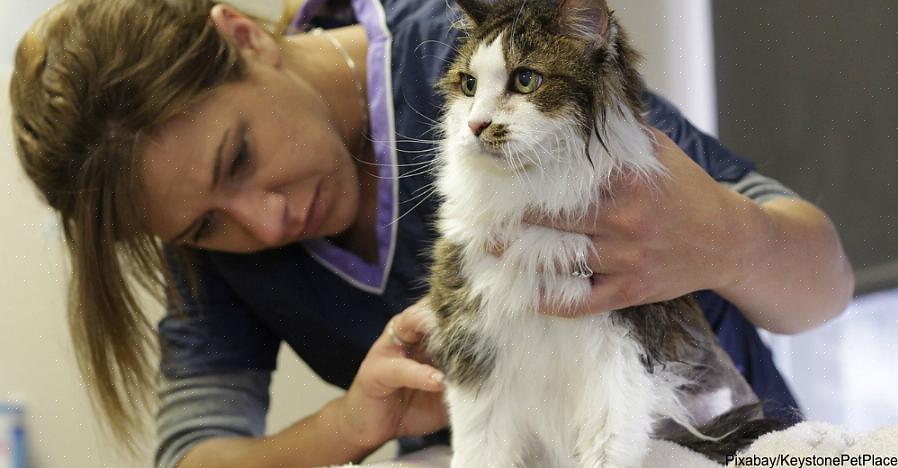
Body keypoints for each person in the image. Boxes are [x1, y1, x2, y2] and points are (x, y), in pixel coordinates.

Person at [9, 0, 854, 467]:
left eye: (239, 157)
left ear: (242, 38)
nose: (264, 222)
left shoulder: (475, 59)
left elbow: (825, 284)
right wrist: (351, 424)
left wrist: (723, 238)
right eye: (203, 223)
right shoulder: (203, 242)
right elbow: (194, 458)